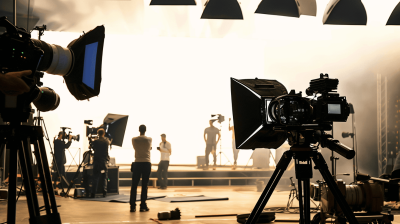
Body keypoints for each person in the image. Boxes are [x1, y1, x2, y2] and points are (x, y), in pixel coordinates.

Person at [130, 124, 152, 212]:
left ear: (139, 130)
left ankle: (132, 205)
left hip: (137, 163)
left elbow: (135, 147)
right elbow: (149, 148)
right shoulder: (149, 139)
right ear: (145, 130)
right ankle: (143, 205)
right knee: (144, 185)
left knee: (134, 185)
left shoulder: (134, 139)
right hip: (146, 163)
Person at [90, 128, 111, 198]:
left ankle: (93, 193)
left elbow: (92, 147)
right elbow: (109, 143)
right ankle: (104, 192)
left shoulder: (96, 141)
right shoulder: (106, 141)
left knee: (95, 177)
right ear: (104, 133)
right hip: (103, 162)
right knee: (104, 177)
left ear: (98, 134)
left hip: (96, 161)